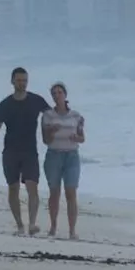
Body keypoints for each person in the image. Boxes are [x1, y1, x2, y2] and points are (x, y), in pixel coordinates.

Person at [0, 67, 51, 236]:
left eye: (25, 80)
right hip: (10, 152)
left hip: (30, 151)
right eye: (19, 80)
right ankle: (20, 225)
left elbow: (52, 115)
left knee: (32, 186)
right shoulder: (6, 104)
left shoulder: (36, 100)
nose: (22, 83)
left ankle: (32, 224)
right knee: (13, 188)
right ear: (12, 81)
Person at [41, 82, 85, 239]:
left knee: (71, 192)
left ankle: (72, 231)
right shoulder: (47, 116)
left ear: (65, 95)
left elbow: (82, 138)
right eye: (54, 93)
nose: (57, 95)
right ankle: (53, 227)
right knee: (54, 193)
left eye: (59, 92)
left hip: (72, 155)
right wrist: (51, 132)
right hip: (54, 154)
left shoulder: (76, 116)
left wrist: (76, 137)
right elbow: (45, 140)